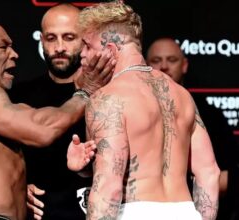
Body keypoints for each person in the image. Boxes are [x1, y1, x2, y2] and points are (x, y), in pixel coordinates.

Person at [0, 19, 115, 220]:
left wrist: (17, 191)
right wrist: (85, 92)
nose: (14, 54)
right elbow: (43, 130)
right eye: (3, 47)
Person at [68, 2, 220, 219]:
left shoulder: (109, 97)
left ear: (110, 50)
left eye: (88, 46)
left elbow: (109, 187)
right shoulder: (181, 95)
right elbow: (209, 173)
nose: (81, 55)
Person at [9, 4, 94, 220]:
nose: (59, 47)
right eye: (51, 38)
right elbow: (1, 158)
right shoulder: (18, 95)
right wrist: (17, 187)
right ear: (41, 41)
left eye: (68, 37)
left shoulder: (107, 93)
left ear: (85, 39)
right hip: (38, 214)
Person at [146, 37, 239, 220]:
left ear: (184, 65)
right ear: (145, 65)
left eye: (172, 60)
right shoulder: (131, 108)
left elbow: (227, 173)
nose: (164, 66)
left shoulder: (209, 115)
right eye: (156, 61)